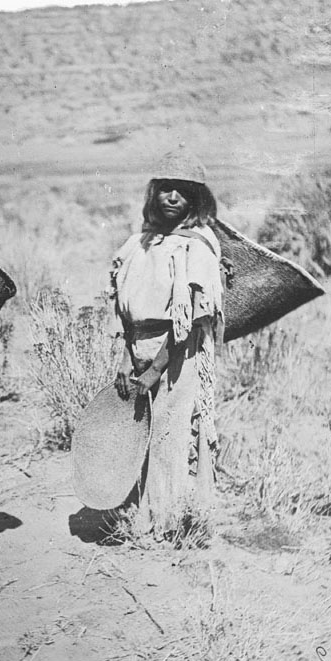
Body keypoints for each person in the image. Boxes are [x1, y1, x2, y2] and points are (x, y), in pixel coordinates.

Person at [111, 148, 224, 541]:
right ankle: (142, 517)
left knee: (171, 435)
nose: (172, 197)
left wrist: (156, 369)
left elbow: (190, 321)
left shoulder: (198, 245)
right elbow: (125, 311)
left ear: (196, 199)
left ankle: (173, 524)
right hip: (139, 348)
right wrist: (128, 360)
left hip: (180, 354)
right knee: (139, 432)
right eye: (166, 189)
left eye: (182, 191)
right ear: (154, 194)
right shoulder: (139, 244)